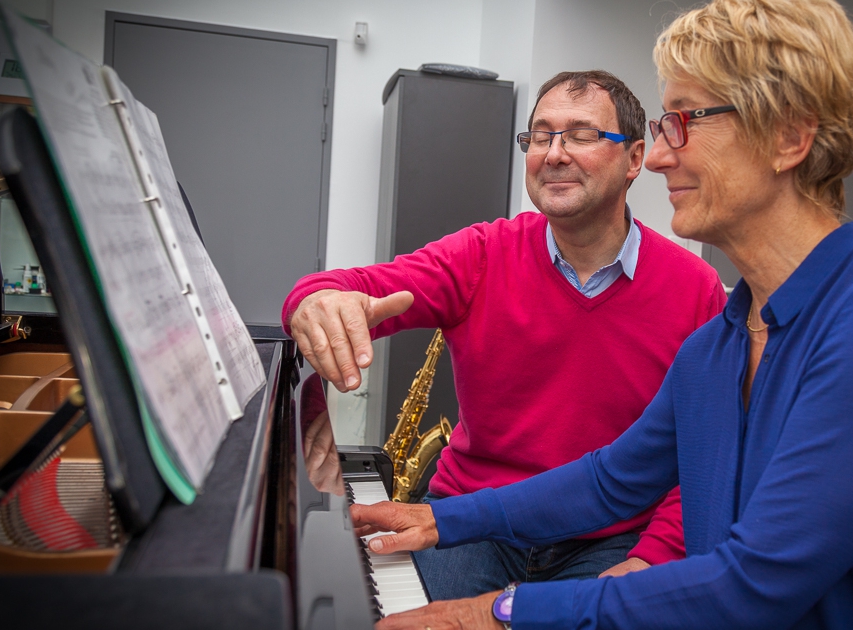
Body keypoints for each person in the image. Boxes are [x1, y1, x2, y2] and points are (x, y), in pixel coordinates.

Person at [350, 0, 853, 628]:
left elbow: (756, 584)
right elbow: (610, 483)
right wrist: (441, 520)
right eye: (662, 127)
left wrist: (496, 613)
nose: (656, 158)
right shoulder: (719, 342)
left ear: (789, 137)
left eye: (685, 121)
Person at [283, 70, 727, 600]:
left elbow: (698, 453)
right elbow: (344, 286)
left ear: (635, 159)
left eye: (581, 135)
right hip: (472, 523)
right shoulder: (482, 253)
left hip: (608, 539)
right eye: (540, 136)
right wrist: (315, 301)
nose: (553, 154)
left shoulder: (696, 288)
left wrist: (651, 556)